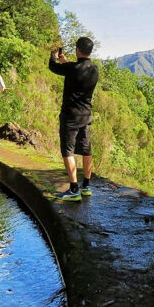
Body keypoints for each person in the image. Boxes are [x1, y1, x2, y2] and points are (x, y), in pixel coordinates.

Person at [49, 37, 99, 201]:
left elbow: (53, 67)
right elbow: (77, 70)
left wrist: (53, 56)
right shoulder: (94, 69)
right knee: (86, 149)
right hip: (86, 115)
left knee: (67, 150)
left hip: (70, 115)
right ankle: (86, 186)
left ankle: (73, 190)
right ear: (90, 51)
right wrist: (66, 63)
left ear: (78, 49)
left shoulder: (71, 68)